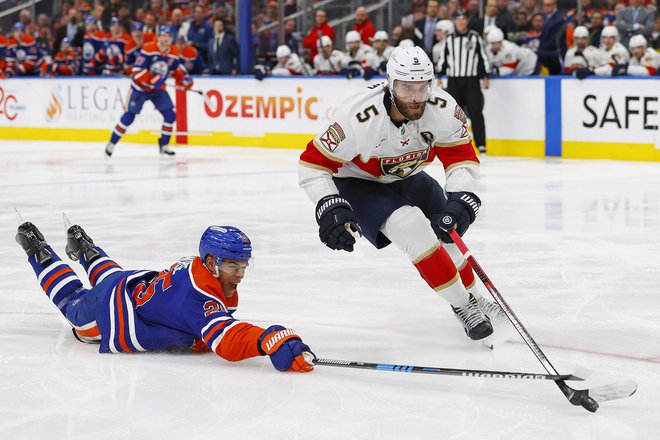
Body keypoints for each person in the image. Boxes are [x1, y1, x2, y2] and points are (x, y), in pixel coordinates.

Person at [298, 46, 507, 342]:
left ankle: (475, 296)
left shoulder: (443, 108)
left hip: (407, 174)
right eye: (406, 87)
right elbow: (311, 165)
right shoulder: (357, 118)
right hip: (358, 182)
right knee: (412, 226)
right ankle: (463, 306)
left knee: (448, 229)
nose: (415, 96)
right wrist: (329, 205)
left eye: (422, 87)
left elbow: (461, 158)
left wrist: (462, 195)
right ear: (390, 84)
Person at [15, 220, 314, 373]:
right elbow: (225, 338)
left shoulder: (196, 266)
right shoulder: (199, 298)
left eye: (243, 265)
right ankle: (40, 253)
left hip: (129, 285)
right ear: (210, 262)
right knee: (73, 304)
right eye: (232, 265)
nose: (240, 273)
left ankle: (87, 251)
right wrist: (268, 340)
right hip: (112, 312)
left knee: (110, 278)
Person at [105, 25, 193, 157]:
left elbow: (175, 69)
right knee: (129, 117)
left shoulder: (173, 52)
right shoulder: (148, 49)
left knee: (170, 115)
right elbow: (136, 71)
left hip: (157, 89)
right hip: (140, 88)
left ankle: (164, 145)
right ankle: (111, 143)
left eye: (168, 37)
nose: (165, 39)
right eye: (163, 36)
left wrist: (184, 78)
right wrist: (151, 79)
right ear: (158, 37)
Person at [437, 10, 490, 154]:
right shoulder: (449, 39)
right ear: (454, 21)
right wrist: (439, 75)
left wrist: (485, 75)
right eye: (458, 19)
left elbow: (483, 57)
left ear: (467, 21)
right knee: (453, 114)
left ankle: (481, 144)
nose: (461, 22)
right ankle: (454, 143)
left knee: (476, 112)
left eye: (463, 19)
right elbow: (443, 58)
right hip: (454, 80)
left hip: (471, 80)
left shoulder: (475, 37)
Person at [537, 0, 565, 75]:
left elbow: (553, 40)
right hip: (546, 52)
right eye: (545, 5)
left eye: (549, 5)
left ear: (555, 4)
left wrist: (538, 51)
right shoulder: (547, 17)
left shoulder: (558, 20)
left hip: (553, 54)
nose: (546, 7)